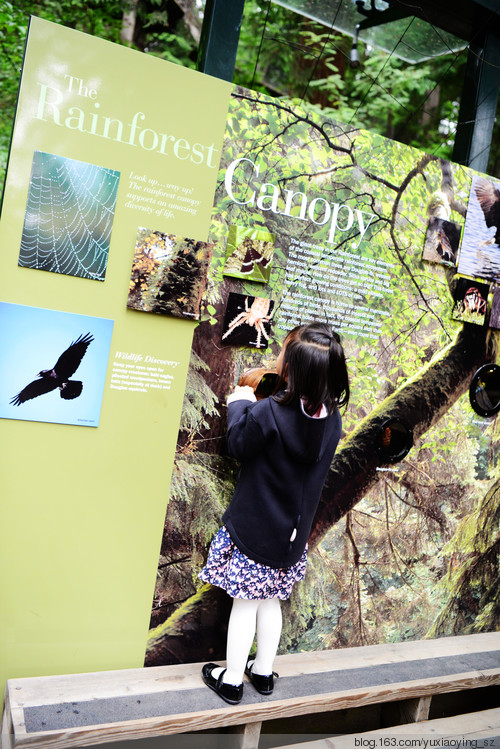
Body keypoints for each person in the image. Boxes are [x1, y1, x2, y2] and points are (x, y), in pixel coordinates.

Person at [199, 322, 350, 704]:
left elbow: (237, 443)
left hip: (255, 532)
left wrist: (239, 402)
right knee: (270, 603)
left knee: (244, 607)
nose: (278, 358)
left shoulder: (268, 412)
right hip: (290, 540)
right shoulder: (333, 420)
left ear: (294, 370)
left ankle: (232, 679)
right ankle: (263, 672)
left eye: (283, 354)